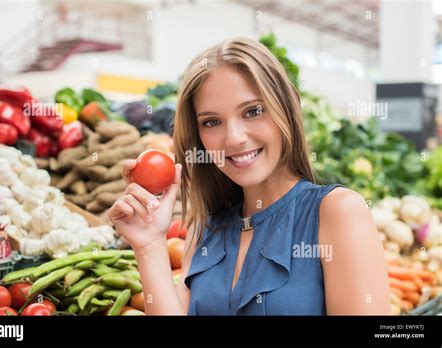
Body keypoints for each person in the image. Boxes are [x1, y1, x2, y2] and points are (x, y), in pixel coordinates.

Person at [108, 37, 391, 315]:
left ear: (287, 108)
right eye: (212, 121)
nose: (234, 138)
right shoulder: (204, 229)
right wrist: (150, 246)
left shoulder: (338, 212)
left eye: (253, 111)